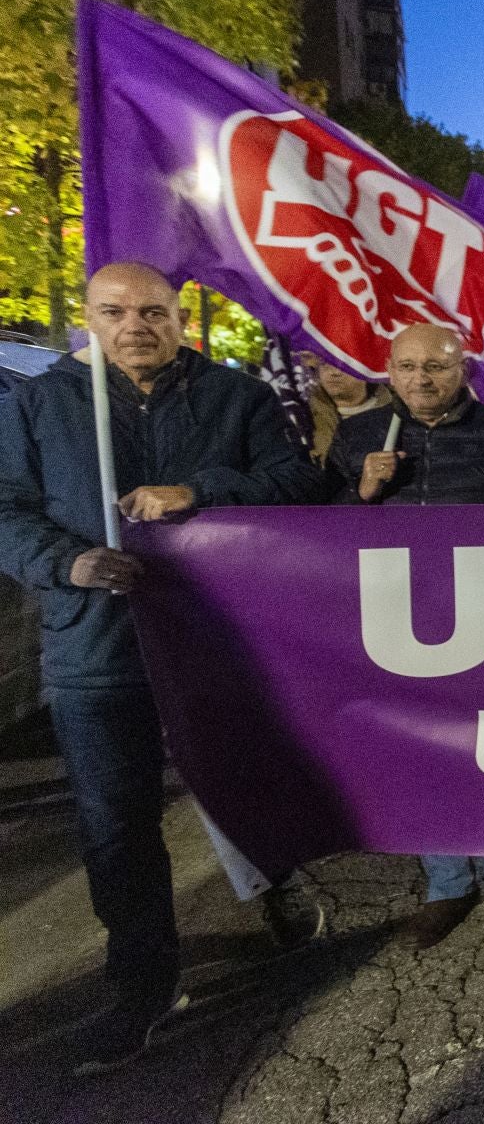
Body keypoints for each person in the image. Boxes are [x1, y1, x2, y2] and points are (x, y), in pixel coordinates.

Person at [0, 263, 327, 1074]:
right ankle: (144, 982)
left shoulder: (236, 399)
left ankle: (276, 883)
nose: (135, 325)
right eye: (115, 311)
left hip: (217, 640)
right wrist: (66, 563)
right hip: (96, 649)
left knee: (244, 780)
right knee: (116, 825)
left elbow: (295, 486)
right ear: (90, 320)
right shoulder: (39, 405)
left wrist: (199, 491)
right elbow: (3, 508)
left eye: (154, 311)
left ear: (182, 319)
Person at [330, 322, 484, 949]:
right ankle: (446, 883)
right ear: (390, 370)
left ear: (462, 370)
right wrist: (362, 491)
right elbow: (314, 534)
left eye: (436, 367)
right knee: (414, 757)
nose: (421, 379)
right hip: (390, 625)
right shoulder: (360, 437)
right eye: (408, 366)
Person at [301, 354, 392, 463]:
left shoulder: (398, 413)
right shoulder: (304, 418)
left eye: (345, 365)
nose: (333, 373)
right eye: (325, 364)